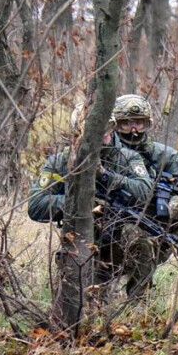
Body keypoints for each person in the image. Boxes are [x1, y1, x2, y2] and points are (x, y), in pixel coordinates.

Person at [28, 105, 157, 305]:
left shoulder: (126, 157)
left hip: (119, 233)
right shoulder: (61, 161)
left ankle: (137, 305)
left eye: (107, 129)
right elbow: (36, 205)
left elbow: (144, 191)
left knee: (141, 243)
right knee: (82, 299)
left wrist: (106, 176)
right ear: (78, 135)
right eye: (94, 132)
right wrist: (80, 205)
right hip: (81, 237)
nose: (103, 136)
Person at [110, 93, 178, 293]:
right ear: (116, 126)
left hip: (156, 223)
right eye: (126, 124)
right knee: (134, 236)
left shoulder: (161, 153)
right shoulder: (108, 154)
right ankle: (136, 295)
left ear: (148, 124)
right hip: (115, 230)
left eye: (139, 123)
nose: (134, 130)